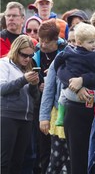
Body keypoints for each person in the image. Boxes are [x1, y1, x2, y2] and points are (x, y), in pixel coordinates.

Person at [29, 19, 67, 174]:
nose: (42, 45)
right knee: (43, 149)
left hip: (60, 107)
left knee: (61, 151)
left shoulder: (65, 52)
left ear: (56, 40)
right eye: (40, 41)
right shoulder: (35, 54)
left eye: (46, 42)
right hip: (41, 106)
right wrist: (37, 85)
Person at [38, 29, 78, 174]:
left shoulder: (91, 58)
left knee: (72, 161)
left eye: (77, 41)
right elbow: (48, 90)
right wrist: (44, 117)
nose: (74, 44)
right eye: (71, 41)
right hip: (58, 114)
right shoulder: (60, 58)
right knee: (56, 159)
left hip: (79, 116)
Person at [0, 35, 40, 173]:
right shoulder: (4, 63)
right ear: (16, 50)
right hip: (7, 117)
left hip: (26, 118)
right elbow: (2, 89)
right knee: (4, 160)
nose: (27, 59)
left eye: (31, 55)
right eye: (24, 55)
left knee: (18, 161)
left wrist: (34, 85)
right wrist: (23, 80)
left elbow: (35, 98)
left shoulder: (28, 67)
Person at [54, 22, 95, 126]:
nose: (94, 45)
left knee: (62, 95)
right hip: (90, 95)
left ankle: (60, 116)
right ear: (79, 42)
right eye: (90, 42)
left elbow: (58, 63)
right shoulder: (94, 56)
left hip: (70, 94)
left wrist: (80, 80)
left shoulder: (68, 51)